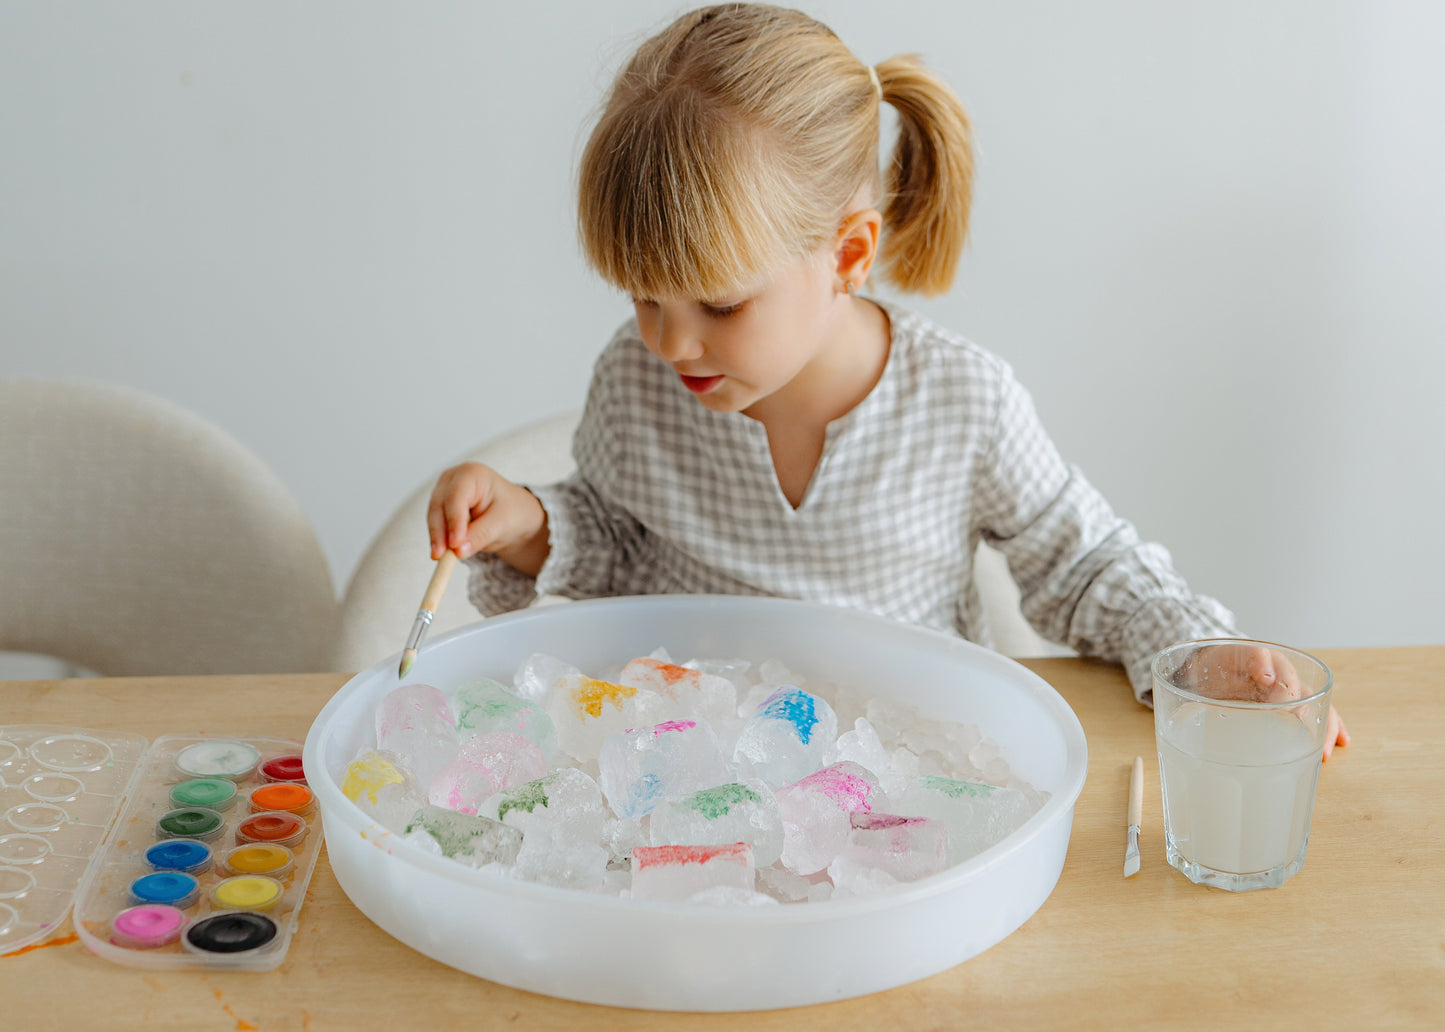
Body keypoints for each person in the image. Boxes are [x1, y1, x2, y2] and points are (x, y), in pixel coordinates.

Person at [426, 4, 1347, 757]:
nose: (670, 342)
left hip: (900, 787)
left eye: (720, 303)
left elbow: (1083, 565)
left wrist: (1194, 654)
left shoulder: (962, 402)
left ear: (848, 253)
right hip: (690, 771)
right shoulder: (636, 379)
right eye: (642, 297)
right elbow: (617, 542)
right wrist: (527, 523)